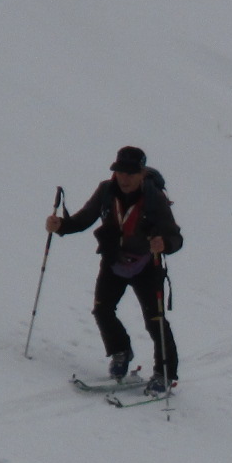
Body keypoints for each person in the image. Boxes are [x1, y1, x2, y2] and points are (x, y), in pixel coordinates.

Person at [48, 145, 184, 391]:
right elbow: (83, 219)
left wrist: (164, 244)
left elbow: (176, 238)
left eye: (130, 173)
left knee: (155, 321)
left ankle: (164, 373)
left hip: (146, 264)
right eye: (120, 172)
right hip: (113, 260)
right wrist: (60, 226)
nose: (124, 178)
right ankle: (121, 352)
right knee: (102, 310)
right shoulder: (106, 190)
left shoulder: (154, 198)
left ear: (142, 174)